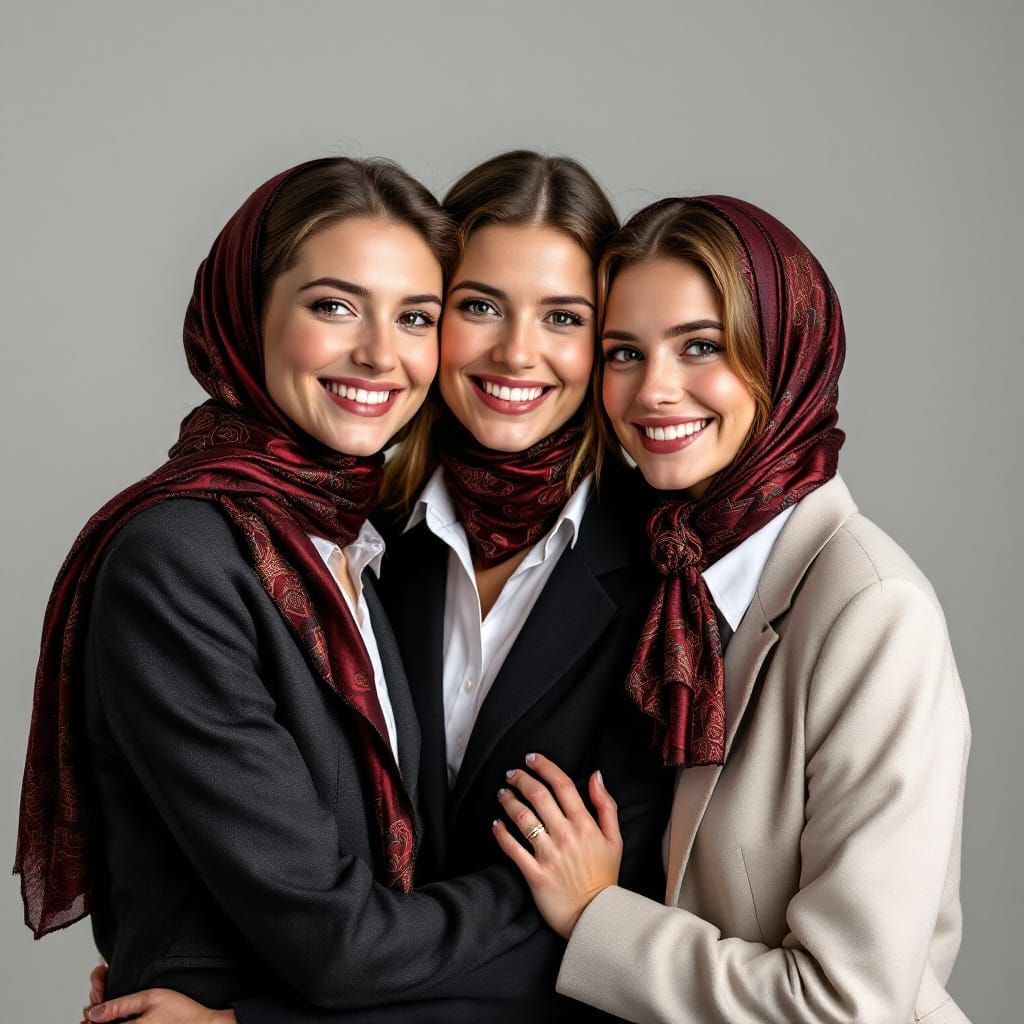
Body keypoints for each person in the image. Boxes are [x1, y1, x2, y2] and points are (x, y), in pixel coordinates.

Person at [82, 152, 671, 1023]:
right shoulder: (352, 541)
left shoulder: (670, 581)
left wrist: (596, 917)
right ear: (251, 313)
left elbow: (635, 925)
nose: (516, 350)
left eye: (563, 316)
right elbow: (336, 923)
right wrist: (583, 906)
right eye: (477, 307)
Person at [494, 196, 972, 1023]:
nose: (654, 391)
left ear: (785, 356)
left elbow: (844, 1007)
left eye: (701, 347)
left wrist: (594, 915)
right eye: (623, 353)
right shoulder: (666, 568)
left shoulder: (872, 612)